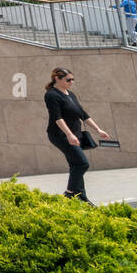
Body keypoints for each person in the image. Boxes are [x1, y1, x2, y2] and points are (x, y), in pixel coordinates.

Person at [43, 67, 111, 203]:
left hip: (76, 134)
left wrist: (98, 130)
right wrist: (69, 135)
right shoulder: (51, 95)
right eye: (68, 79)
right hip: (60, 135)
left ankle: (81, 197)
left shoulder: (71, 94)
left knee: (75, 164)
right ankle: (69, 193)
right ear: (57, 78)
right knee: (82, 164)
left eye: (73, 79)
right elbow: (57, 118)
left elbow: (83, 114)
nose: (71, 82)